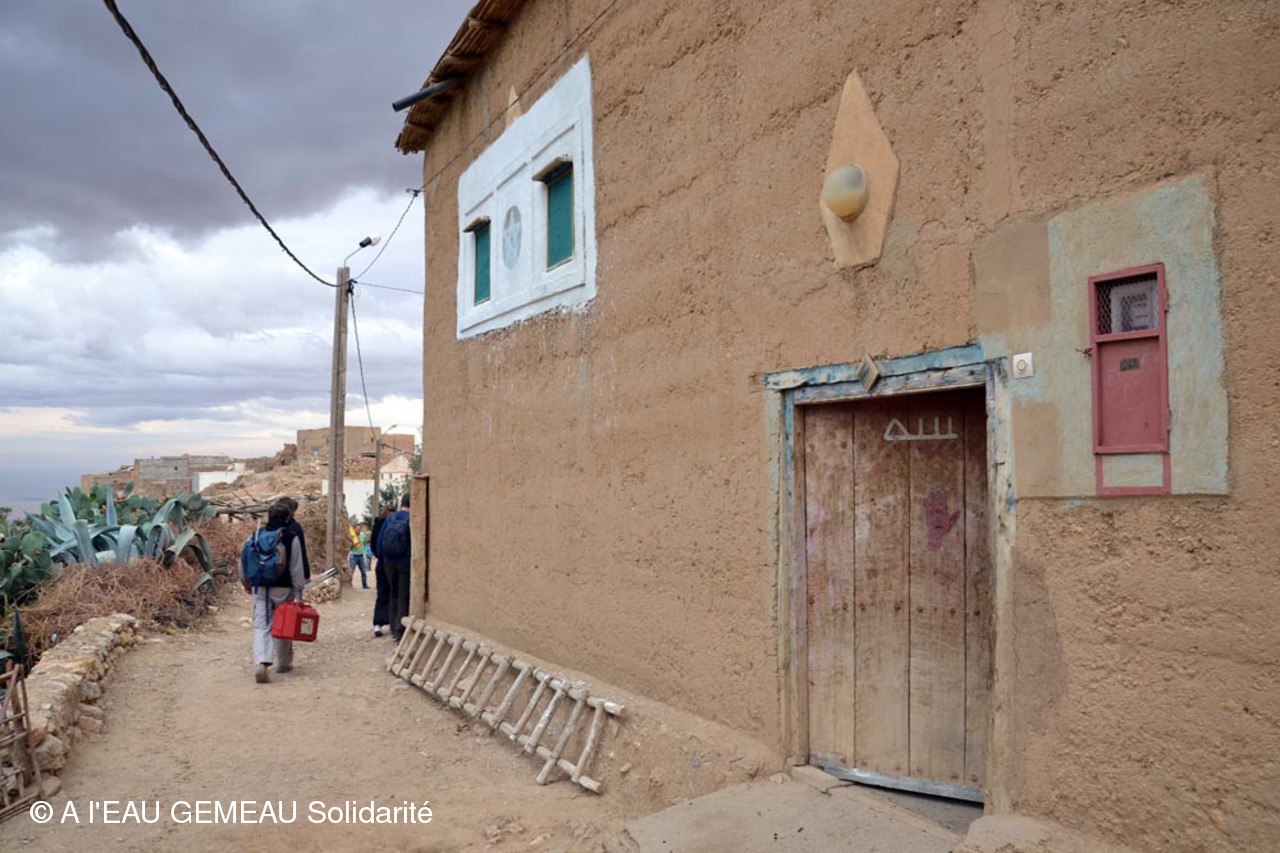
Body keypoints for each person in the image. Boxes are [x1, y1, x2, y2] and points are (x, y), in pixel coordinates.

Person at [240, 501, 306, 683]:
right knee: (283, 624)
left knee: (262, 625)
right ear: (288, 517)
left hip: (260, 586)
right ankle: (283, 663)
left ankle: (262, 662)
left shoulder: (255, 535)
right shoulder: (290, 536)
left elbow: (244, 560)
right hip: (284, 589)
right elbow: (296, 568)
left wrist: (246, 583)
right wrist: (299, 592)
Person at [375, 493, 412, 642]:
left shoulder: (390, 518)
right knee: (403, 595)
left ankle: (392, 626)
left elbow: (380, 542)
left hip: (388, 562)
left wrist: (383, 559)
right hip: (405, 562)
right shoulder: (411, 519)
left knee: (393, 594)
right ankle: (399, 629)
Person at [369, 505, 394, 637]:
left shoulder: (378, 524)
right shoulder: (395, 522)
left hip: (382, 563)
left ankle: (377, 623)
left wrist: (381, 557)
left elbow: (373, 545)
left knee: (382, 593)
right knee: (395, 593)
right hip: (395, 563)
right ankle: (394, 623)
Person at [278, 495, 312, 581]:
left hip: (268, 577)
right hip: (288, 577)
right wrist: (306, 574)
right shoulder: (294, 528)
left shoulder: (269, 528)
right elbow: (301, 551)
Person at [349, 523, 370, 589]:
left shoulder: (363, 536)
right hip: (353, 556)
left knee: (364, 571)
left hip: (361, 555)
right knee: (351, 571)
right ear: (354, 529)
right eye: (357, 529)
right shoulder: (353, 537)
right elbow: (349, 546)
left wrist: (363, 551)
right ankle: (349, 584)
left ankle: (365, 585)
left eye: (359, 529)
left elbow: (364, 544)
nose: (358, 530)